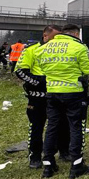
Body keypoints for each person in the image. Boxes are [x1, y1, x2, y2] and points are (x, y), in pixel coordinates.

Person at [37, 23, 89, 179]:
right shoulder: (79, 47)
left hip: (52, 94)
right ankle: (76, 165)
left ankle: (48, 165)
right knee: (76, 128)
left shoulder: (43, 48)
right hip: (74, 94)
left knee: (52, 127)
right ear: (76, 34)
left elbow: (42, 69)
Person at [14, 25, 71, 168]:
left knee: (63, 125)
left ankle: (64, 151)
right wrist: (40, 82)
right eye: (55, 37)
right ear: (45, 36)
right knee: (36, 127)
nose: (57, 40)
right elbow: (20, 71)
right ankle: (35, 156)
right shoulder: (31, 50)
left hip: (59, 94)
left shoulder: (62, 50)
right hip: (38, 96)